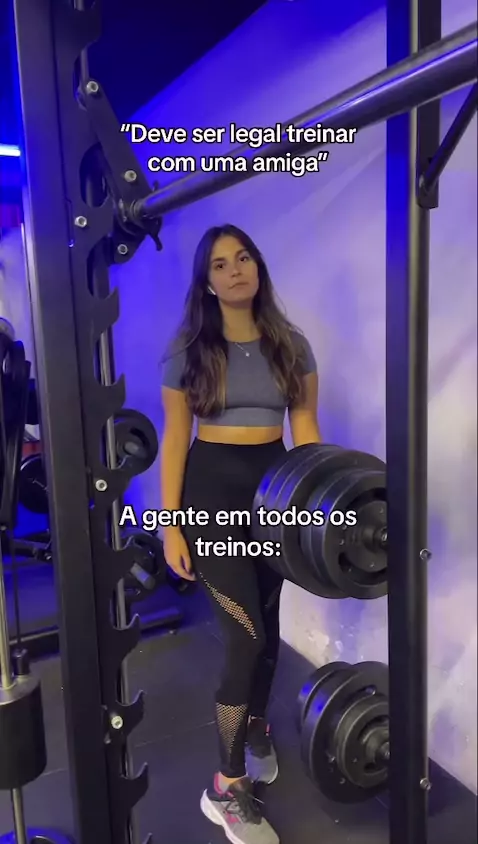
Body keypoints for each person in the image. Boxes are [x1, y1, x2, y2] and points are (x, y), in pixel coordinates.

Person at [160, 224, 321, 844]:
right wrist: (171, 522)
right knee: (245, 638)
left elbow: (305, 426)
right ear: (207, 282)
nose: (236, 271)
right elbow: (176, 437)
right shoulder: (189, 348)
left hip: (274, 493)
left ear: (258, 266)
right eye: (221, 264)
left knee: (269, 631)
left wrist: (316, 499)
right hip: (212, 498)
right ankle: (225, 787)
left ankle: (254, 726)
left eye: (244, 257)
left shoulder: (290, 344)